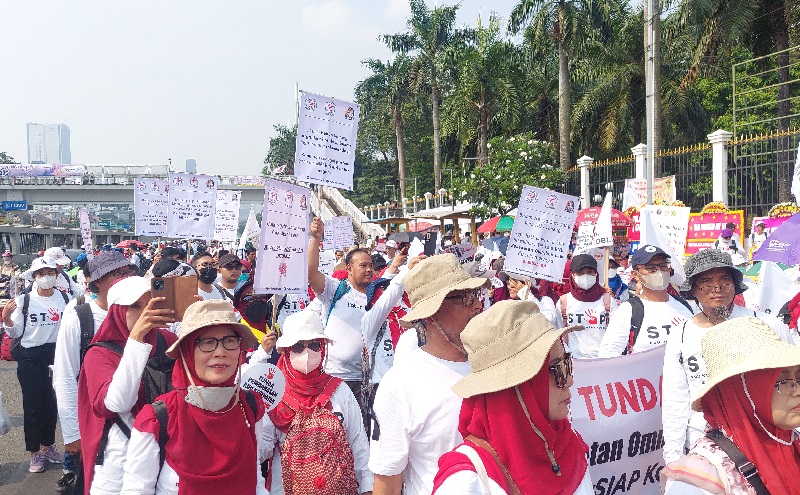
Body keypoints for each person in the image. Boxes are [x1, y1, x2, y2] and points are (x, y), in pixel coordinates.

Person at [432, 300, 592, 494]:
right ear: (519, 387)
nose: (568, 381)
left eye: (567, 364)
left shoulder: (569, 444)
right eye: (557, 369)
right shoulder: (466, 482)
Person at [120, 300, 271, 495]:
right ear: (187, 352)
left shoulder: (249, 406)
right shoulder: (159, 418)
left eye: (230, 341)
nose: (220, 352)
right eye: (207, 342)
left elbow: (256, 482)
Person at [370, 254, 488, 495]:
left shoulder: (498, 365)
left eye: (475, 295)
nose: (477, 305)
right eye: (463, 297)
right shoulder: (400, 386)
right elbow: (387, 485)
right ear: (431, 313)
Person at [661, 249, 794, 464]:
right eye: (706, 281)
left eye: (725, 279)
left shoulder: (768, 326)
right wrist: (673, 458)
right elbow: (675, 400)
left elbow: (793, 383)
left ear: (735, 285)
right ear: (693, 289)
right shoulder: (681, 335)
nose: (717, 288)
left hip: (765, 438)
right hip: (704, 440)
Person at [662, 317, 800, 494]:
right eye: (781, 381)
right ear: (743, 390)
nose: (797, 391)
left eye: (798, 378)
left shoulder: (792, 443)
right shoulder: (703, 480)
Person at [77, 276, 177, 494]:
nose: (145, 312)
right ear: (117, 311)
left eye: (151, 304)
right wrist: (137, 341)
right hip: (119, 460)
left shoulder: (167, 340)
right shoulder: (99, 353)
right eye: (135, 306)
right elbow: (116, 403)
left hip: (167, 453)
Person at [262, 309, 372, 494]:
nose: (307, 353)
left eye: (314, 345)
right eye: (298, 347)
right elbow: (261, 450)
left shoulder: (340, 390)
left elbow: (358, 443)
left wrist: (368, 488)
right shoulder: (274, 394)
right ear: (286, 351)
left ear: (323, 347)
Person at [53, 251, 137, 492]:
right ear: (97, 281)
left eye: (126, 272)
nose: (123, 278)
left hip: (135, 416)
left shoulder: (139, 312)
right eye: (115, 274)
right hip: (94, 417)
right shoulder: (80, 317)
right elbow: (66, 376)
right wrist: (72, 434)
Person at [1, 257, 69, 473]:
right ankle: (34, 453)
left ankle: (48, 446)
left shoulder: (65, 298)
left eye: (49, 272)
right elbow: (15, 333)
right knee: (32, 406)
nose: (45, 277)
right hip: (31, 357)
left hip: (56, 355)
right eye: (40, 274)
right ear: (34, 277)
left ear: (56, 275)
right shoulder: (25, 301)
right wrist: (7, 319)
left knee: (52, 404)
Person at [307, 217, 375, 400]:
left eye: (371, 265)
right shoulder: (336, 289)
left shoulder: (378, 296)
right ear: (349, 268)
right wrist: (315, 238)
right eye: (363, 265)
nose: (369, 269)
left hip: (368, 380)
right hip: (336, 378)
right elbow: (311, 274)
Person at [598, 246, 695, 356]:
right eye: (650, 267)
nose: (659, 271)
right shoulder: (628, 311)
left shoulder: (685, 306)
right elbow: (608, 355)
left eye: (663, 266)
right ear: (636, 275)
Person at [555, 254, 617, 359]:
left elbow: (616, 333)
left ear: (596, 273)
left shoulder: (607, 300)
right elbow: (559, 333)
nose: (585, 276)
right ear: (572, 275)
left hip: (603, 360)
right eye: (580, 272)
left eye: (589, 272)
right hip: (575, 362)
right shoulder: (563, 302)